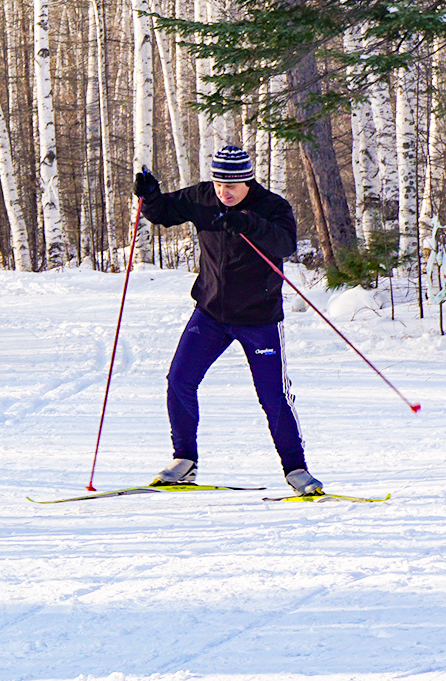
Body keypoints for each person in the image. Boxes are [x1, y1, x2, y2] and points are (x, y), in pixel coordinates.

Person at [134, 144, 323, 497]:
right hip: (210, 313)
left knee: (272, 397)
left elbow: (285, 244)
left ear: (248, 181)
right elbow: (164, 213)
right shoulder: (203, 197)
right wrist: (150, 196)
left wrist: (247, 223)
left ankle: (296, 469)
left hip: (259, 318)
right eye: (220, 184)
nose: (225, 192)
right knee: (179, 380)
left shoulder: (272, 206)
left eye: (232, 185)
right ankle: (184, 460)